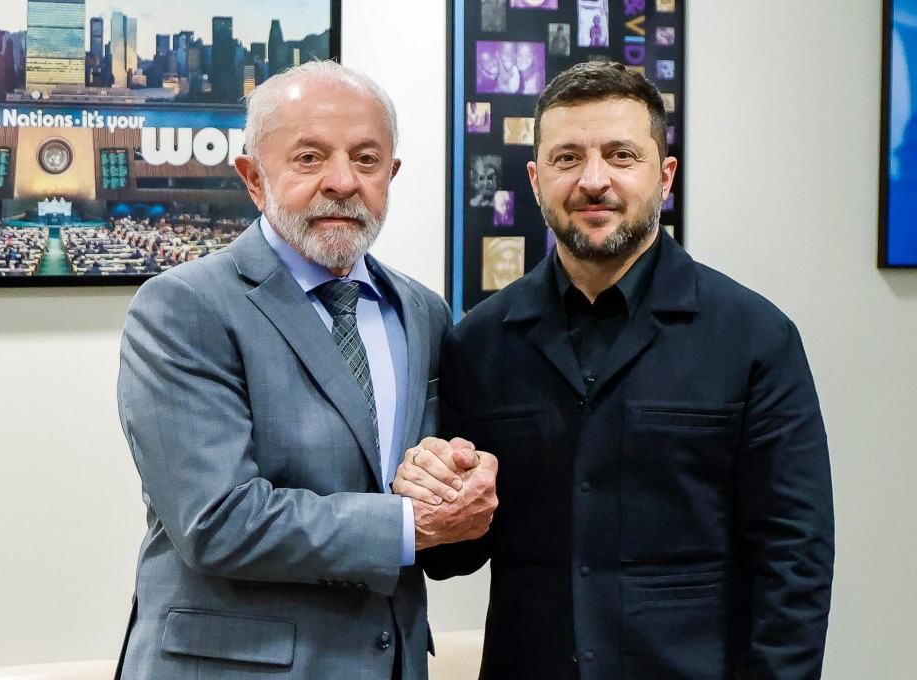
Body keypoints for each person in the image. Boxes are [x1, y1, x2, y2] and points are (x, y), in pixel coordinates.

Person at [396, 61, 834, 679]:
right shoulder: (480, 343)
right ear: (535, 178)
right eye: (567, 158)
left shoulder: (754, 338)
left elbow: (795, 555)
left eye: (621, 155)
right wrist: (432, 494)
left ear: (665, 176)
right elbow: (455, 557)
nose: (593, 180)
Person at [115, 60, 498, 680]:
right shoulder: (183, 307)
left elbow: (424, 488)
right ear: (254, 179)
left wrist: (462, 485)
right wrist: (409, 524)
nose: (343, 182)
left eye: (367, 160)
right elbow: (215, 522)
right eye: (310, 157)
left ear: (391, 176)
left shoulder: (424, 311)